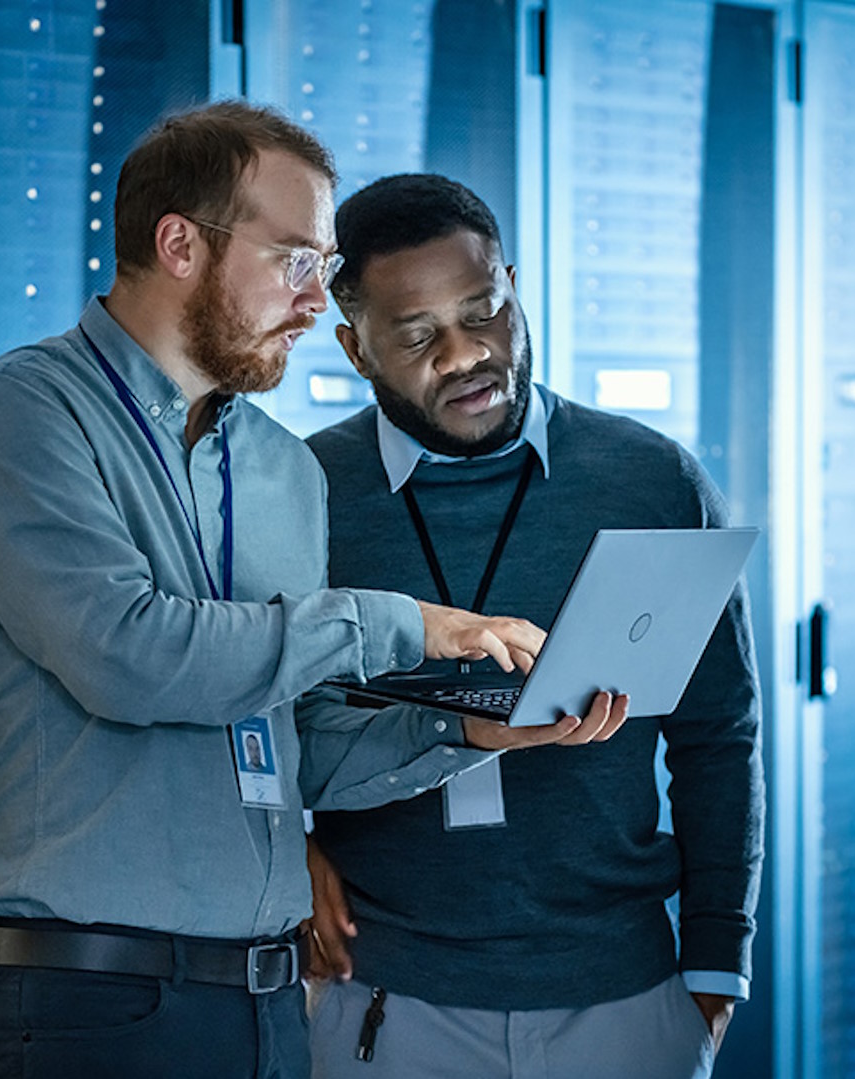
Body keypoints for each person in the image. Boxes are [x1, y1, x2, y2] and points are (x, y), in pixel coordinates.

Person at [0, 105, 629, 1079]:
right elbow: (129, 655)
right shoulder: (23, 414)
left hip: (269, 1004)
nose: (316, 301)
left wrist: (471, 732)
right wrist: (404, 623)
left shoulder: (280, 469)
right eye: (296, 259)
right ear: (180, 242)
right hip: (91, 1001)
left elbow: (300, 743)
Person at [300, 174, 764, 1079]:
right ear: (357, 350)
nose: (468, 354)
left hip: (624, 1001)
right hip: (387, 1004)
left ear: (513, 284)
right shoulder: (306, 498)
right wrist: (292, 851)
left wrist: (714, 969)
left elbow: (720, 737)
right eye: (418, 335)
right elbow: (252, 722)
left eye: (485, 311)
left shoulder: (650, 479)